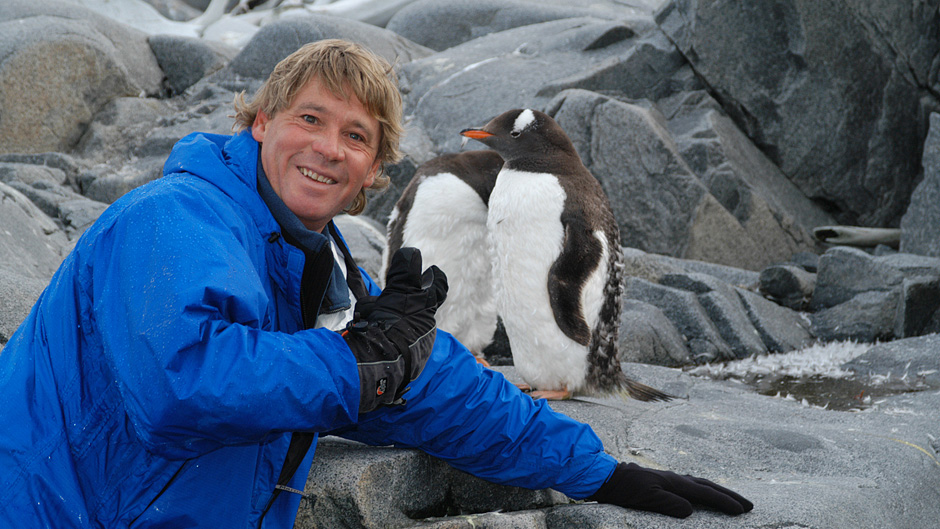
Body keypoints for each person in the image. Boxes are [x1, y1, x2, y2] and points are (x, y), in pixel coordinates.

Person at [0, 39, 752, 527]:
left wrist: (599, 470)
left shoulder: (314, 263)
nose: (328, 149)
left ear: (373, 171)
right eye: (310, 119)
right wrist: (361, 364)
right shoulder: (174, 217)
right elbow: (181, 385)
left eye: (356, 137)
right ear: (260, 123)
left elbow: (424, 379)